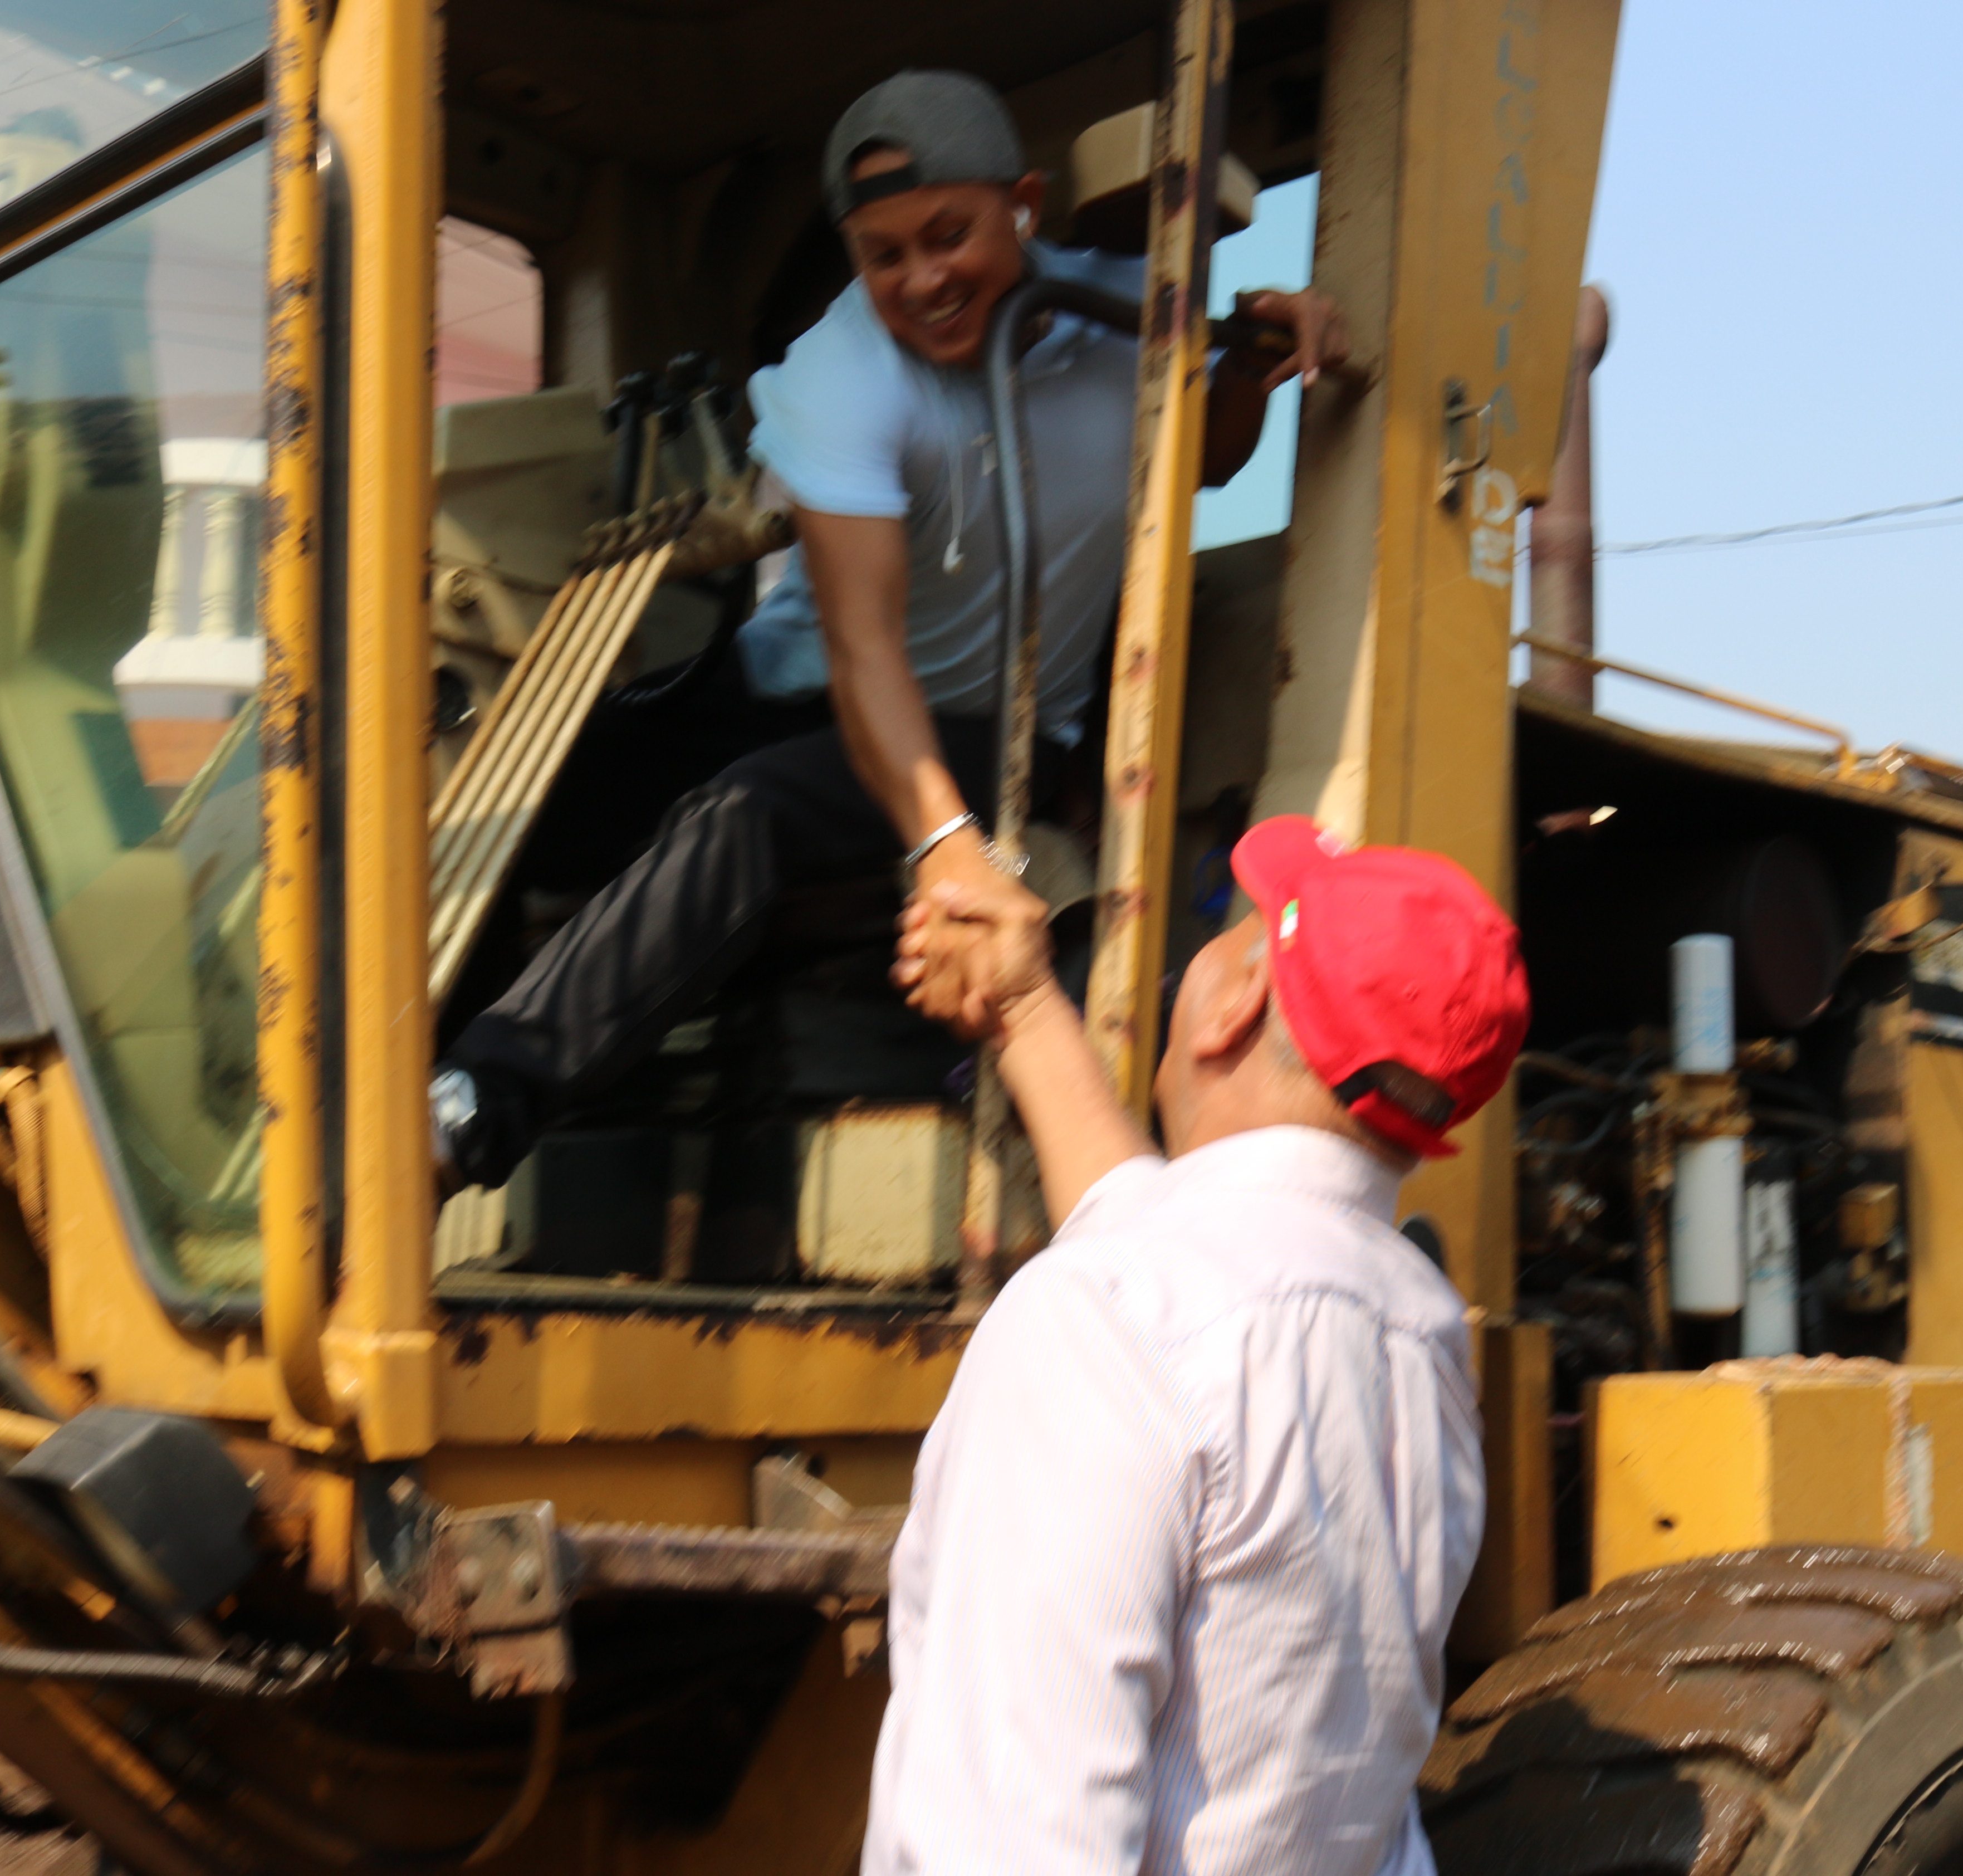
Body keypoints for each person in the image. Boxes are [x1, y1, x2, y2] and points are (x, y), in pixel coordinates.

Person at [430, 70, 1350, 1185]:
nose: (922, 279)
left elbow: (1200, 461)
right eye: (884, 253)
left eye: (948, 235)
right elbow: (862, 649)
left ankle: (471, 1110)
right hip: (806, 691)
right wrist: (946, 845)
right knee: (507, 790)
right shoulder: (840, 375)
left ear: (1021, 200)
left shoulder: (1130, 321)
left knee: (747, 814)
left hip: (982, 720)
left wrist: (1255, 366)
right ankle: (394, 1074)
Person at [867, 815, 1528, 1874]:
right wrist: (1027, 1006)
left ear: (1235, 1005)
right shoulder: (1420, 1333)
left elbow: (1015, 1841)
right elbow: (1169, 1249)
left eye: (1233, 923)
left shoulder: (1104, 1327)